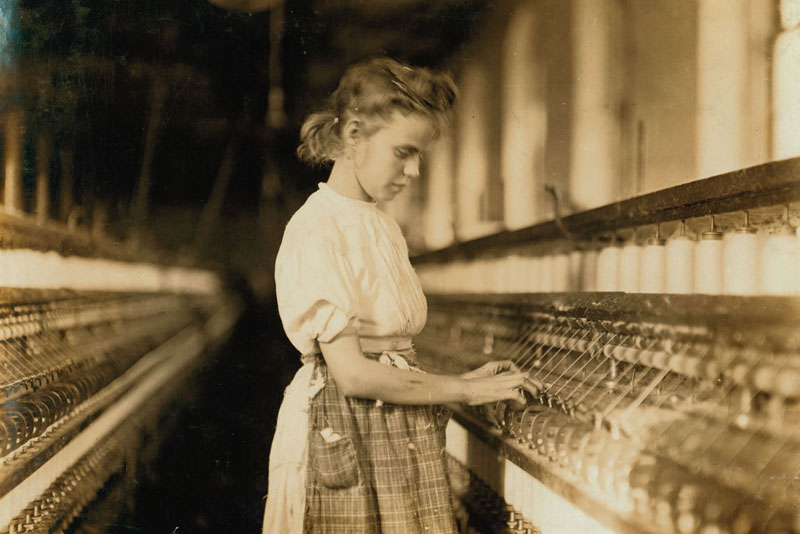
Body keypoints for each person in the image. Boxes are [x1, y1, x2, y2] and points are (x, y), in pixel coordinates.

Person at [263, 57, 538, 534]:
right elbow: (352, 375)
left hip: (390, 429)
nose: (412, 171)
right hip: (347, 430)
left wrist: (464, 377)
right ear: (353, 135)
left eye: (420, 157)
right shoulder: (318, 228)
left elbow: (386, 351)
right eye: (402, 152)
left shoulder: (380, 224)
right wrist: (468, 391)